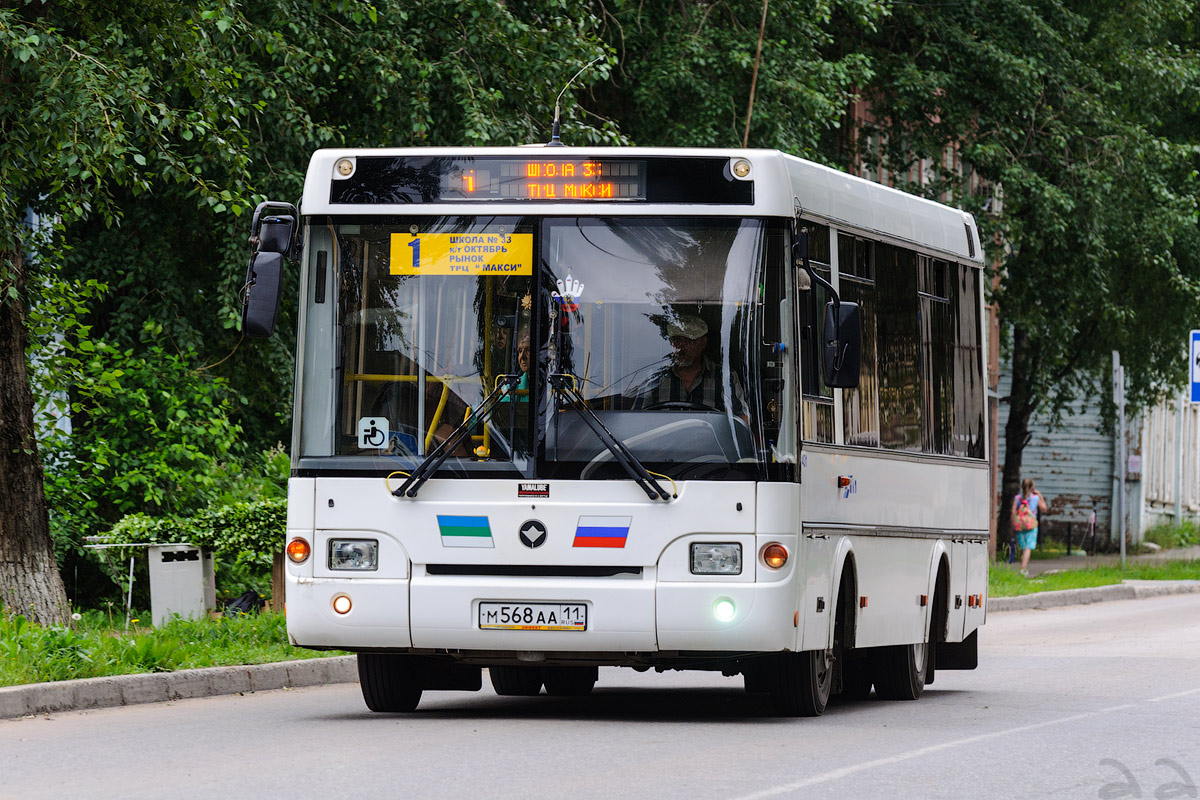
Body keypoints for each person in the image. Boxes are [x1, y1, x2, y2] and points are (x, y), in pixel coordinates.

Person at [635, 315, 747, 420]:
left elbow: (741, 420)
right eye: (676, 340)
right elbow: (635, 420)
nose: (681, 348)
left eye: (688, 341)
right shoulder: (655, 377)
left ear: (703, 343)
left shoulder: (724, 377)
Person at [1012, 478, 1047, 576]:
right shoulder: (1035, 498)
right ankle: (1023, 569)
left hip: (1020, 525)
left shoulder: (1017, 498)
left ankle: (1022, 566)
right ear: (1032, 487)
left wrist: (1014, 524)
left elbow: (1013, 512)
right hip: (1031, 525)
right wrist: (1040, 495)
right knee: (1028, 547)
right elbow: (1044, 508)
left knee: (1022, 547)